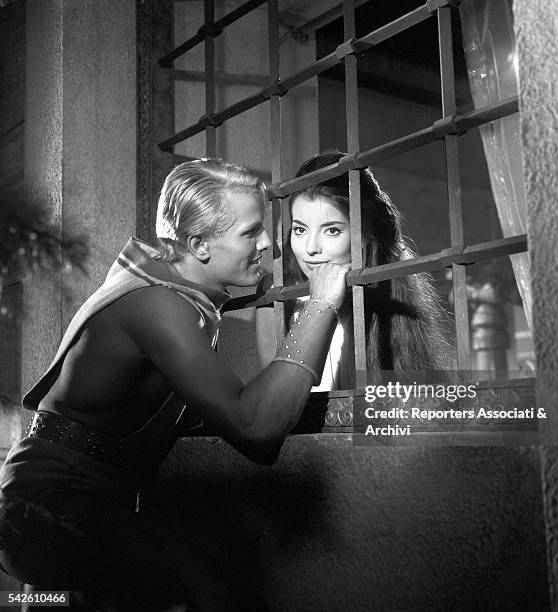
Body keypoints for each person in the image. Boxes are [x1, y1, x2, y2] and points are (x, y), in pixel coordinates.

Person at [0, 159, 350, 611]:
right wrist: (320, 304)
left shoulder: (168, 285)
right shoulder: (157, 304)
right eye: (251, 233)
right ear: (198, 244)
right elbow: (256, 428)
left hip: (72, 512)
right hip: (49, 513)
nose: (270, 245)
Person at [257, 151, 450, 390]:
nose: (310, 248)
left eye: (332, 231)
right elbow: (276, 397)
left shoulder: (392, 296)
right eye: (300, 230)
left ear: (365, 237)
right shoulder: (277, 295)